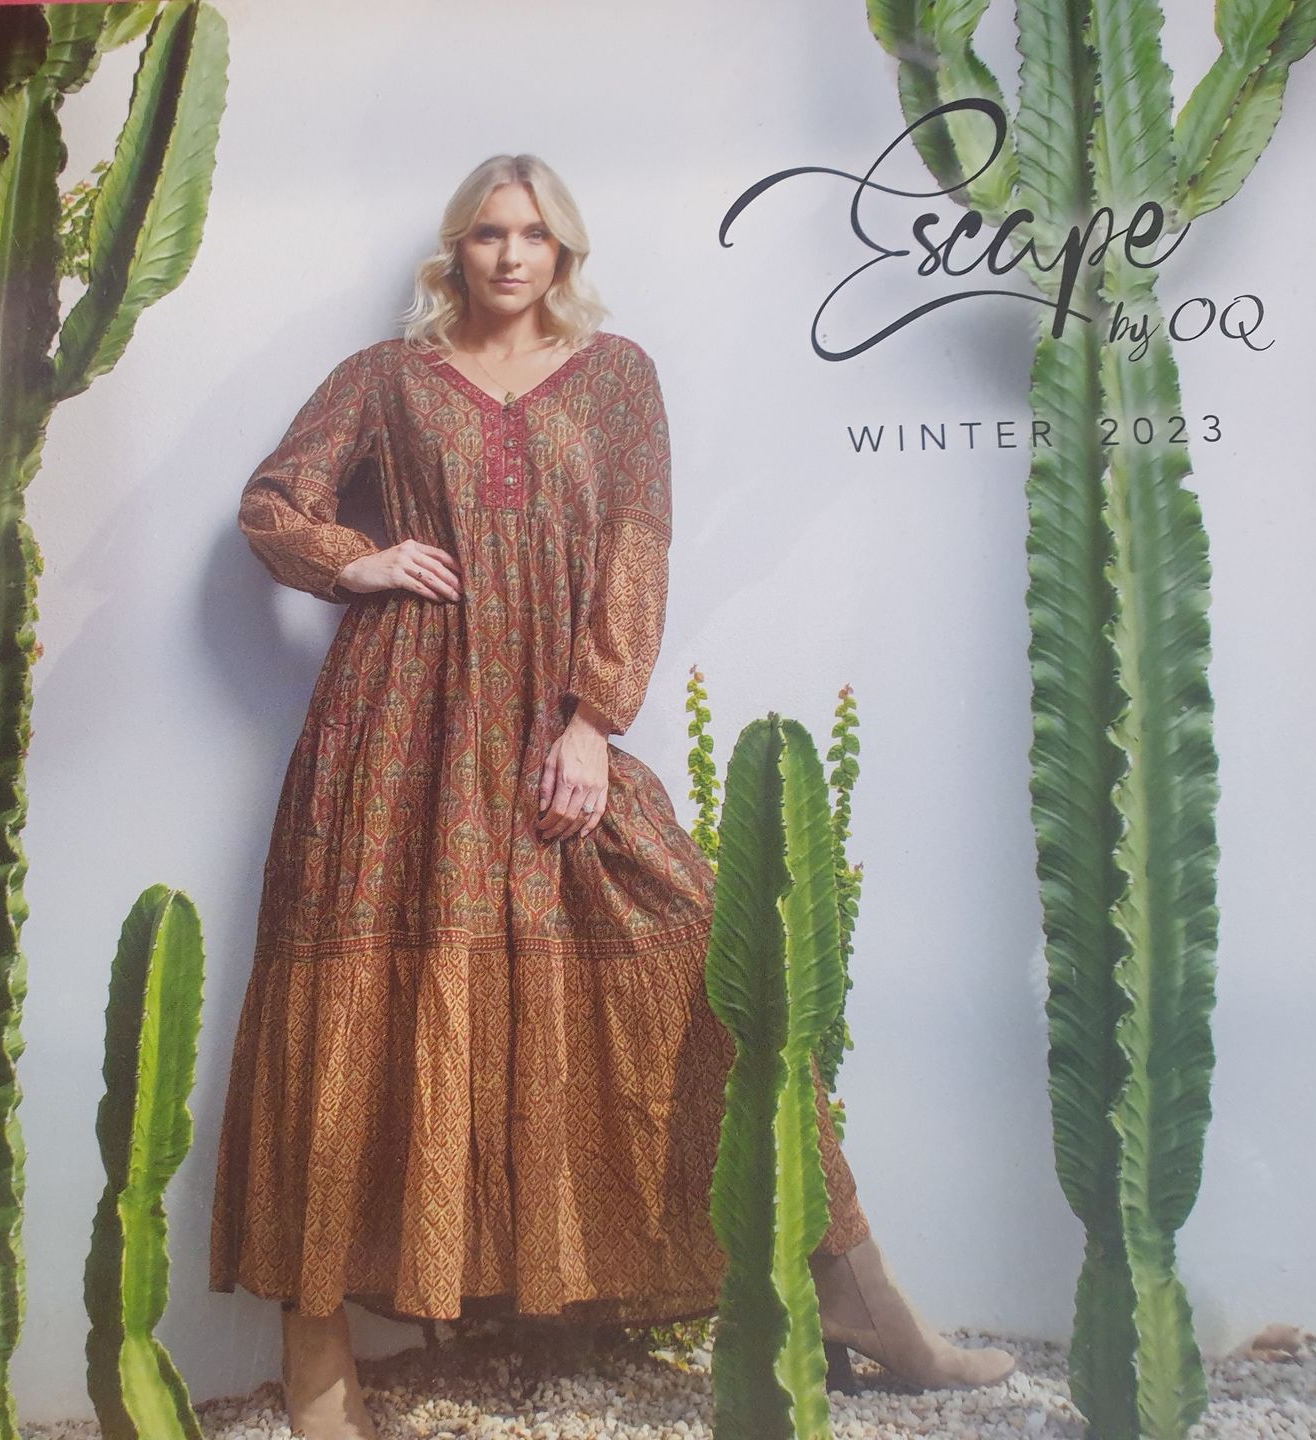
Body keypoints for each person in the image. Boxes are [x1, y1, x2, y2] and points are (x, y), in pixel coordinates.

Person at [209, 154, 1013, 1440]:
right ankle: (320, 1371)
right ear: (454, 251)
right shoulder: (386, 379)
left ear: (565, 252)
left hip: (546, 732)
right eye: (486, 234)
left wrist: (592, 719)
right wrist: (358, 562)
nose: (510, 256)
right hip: (393, 739)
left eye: (534, 234)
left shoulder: (620, 378)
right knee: (355, 1016)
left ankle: (867, 1307)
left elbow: (639, 541)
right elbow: (270, 505)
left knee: (706, 975)